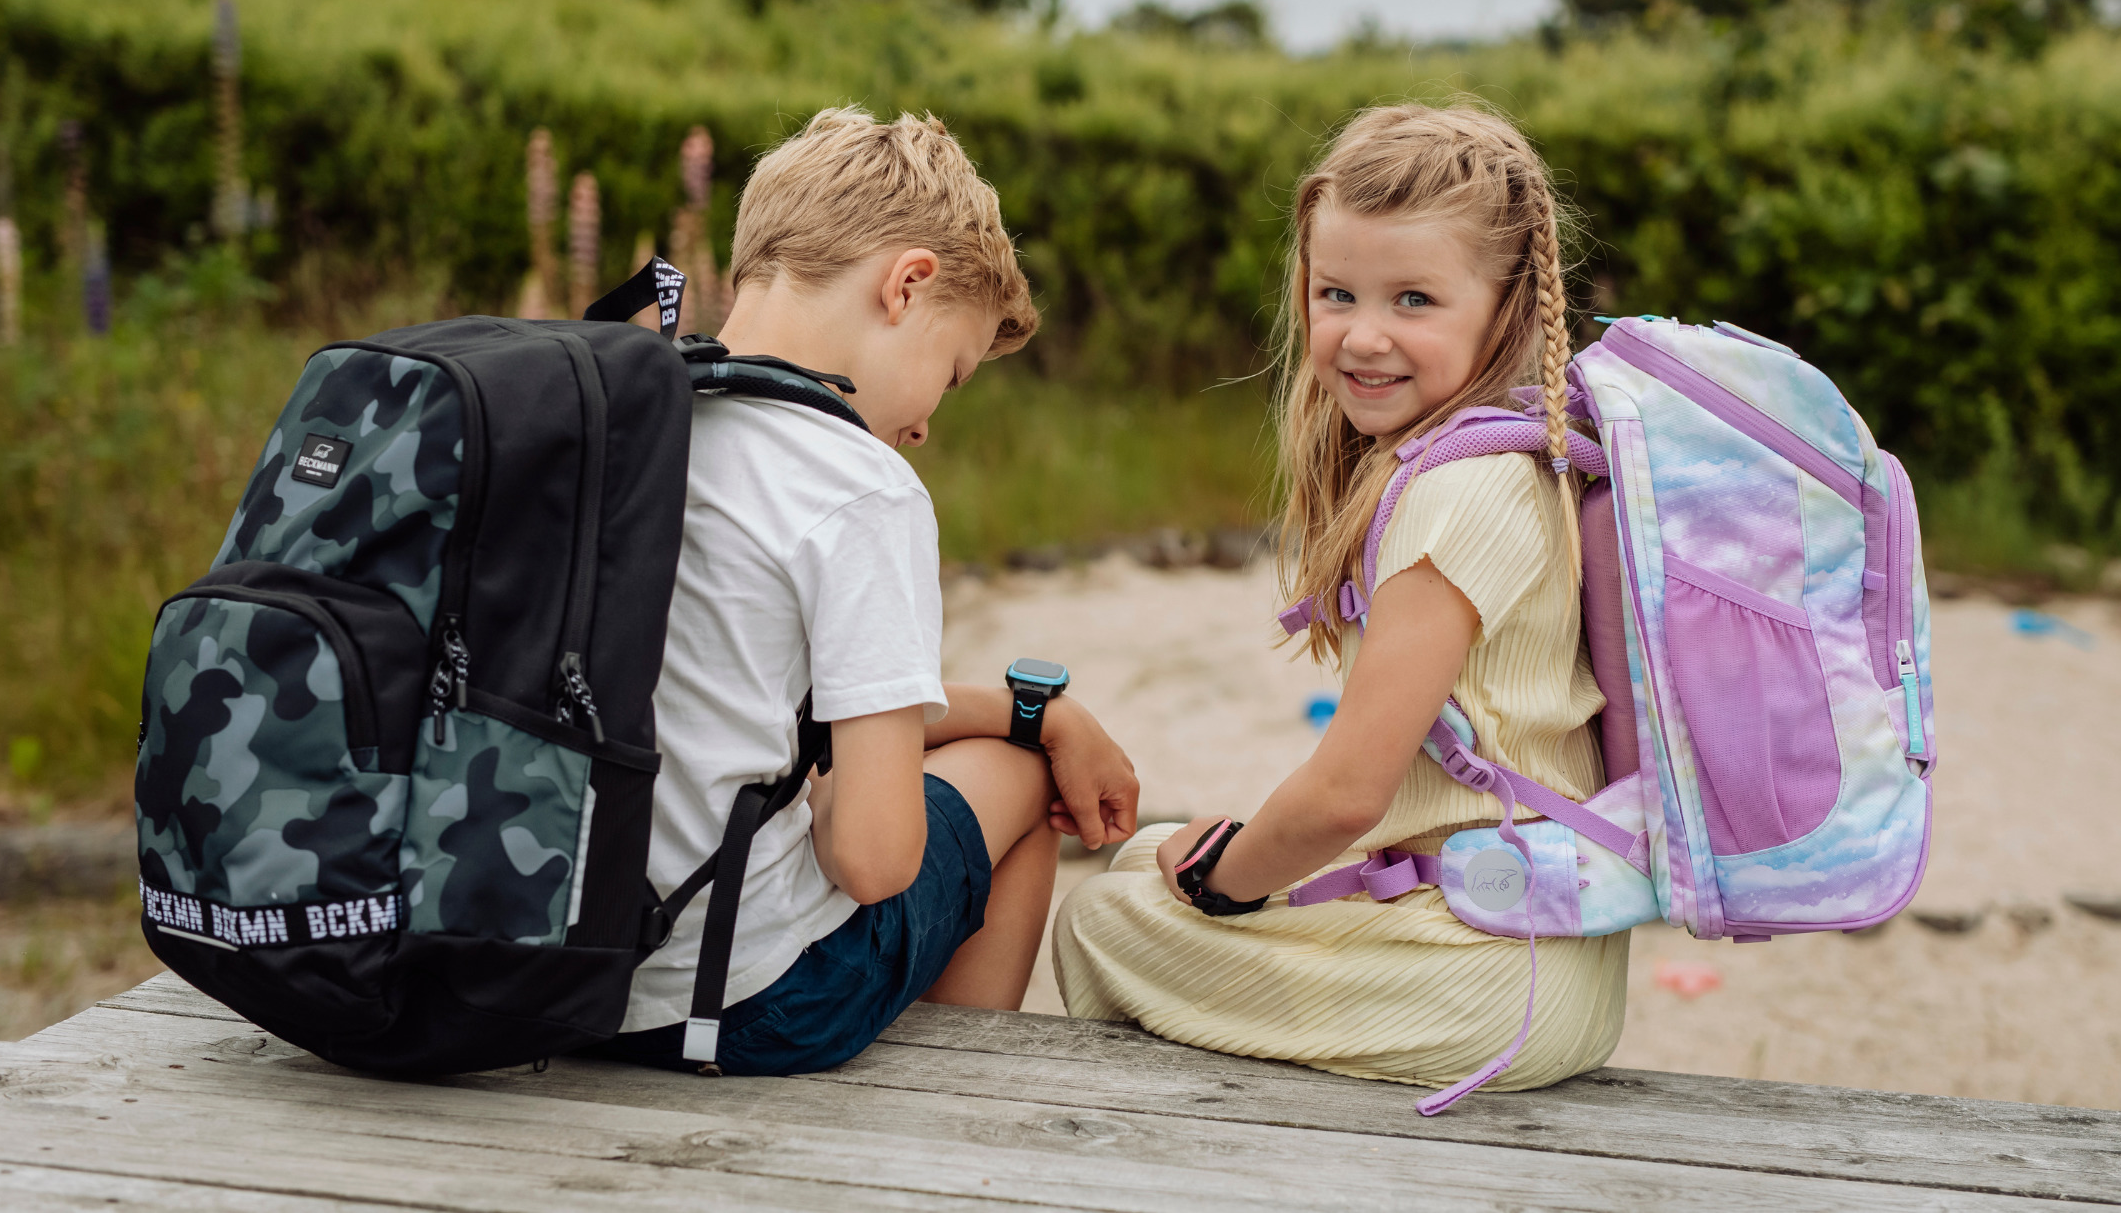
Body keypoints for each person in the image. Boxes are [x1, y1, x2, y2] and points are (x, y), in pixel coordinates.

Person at [1052, 102, 1627, 1094]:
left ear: (1511, 304)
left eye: (1413, 300)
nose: (1363, 336)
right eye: (1337, 293)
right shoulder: (1525, 454)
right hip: (1539, 947)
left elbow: (1346, 797)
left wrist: (1218, 884)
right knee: (1147, 855)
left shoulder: (1455, 496)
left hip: (1485, 986)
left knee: (1106, 920)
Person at [595, 107, 1140, 1077]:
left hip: (551, 975)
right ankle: (943, 1111)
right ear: (907, 285)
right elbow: (875, 862)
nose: (927, 424)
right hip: (743, 1005)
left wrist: (1034, 711)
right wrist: (846, 792)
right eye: (953, 371)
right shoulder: (860, 486)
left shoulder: (625, 425)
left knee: (1009, 744)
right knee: (1015, 779)